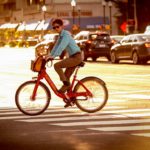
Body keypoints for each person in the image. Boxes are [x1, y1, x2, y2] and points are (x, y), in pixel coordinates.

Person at [46, 18, 82, 93]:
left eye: (57, 26)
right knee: (66, 77)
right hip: (73, 57)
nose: (56, 28)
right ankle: (70, 98)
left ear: (62, 26)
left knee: (57, 66)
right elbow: (56, 46)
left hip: (76, 57)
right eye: (54, 27)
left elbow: (61, 46)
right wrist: (50, 55)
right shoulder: (60, 36)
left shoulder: (66, 35)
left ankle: (66, 85)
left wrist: (53, 56)